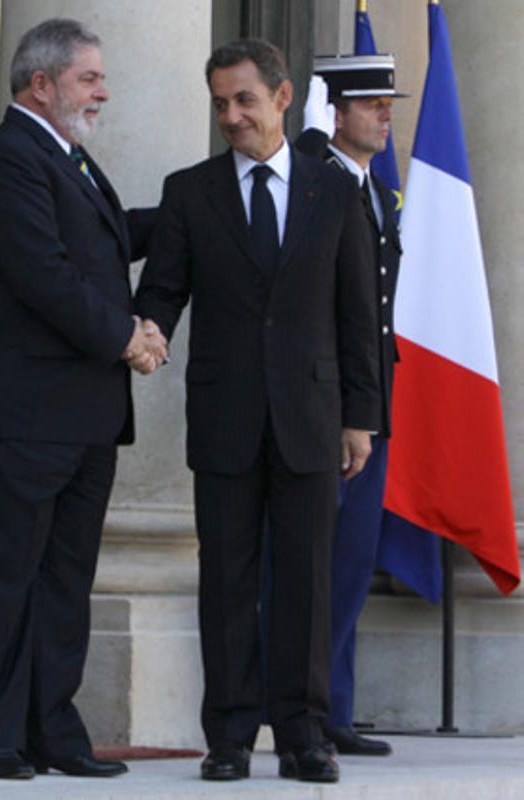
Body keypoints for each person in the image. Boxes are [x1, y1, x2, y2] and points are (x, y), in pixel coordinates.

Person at [135, 38, 380, 784]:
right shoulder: (190, 191)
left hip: (311, 415)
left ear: (280, 99)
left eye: (243, 100)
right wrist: (147, 331)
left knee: (306, 580)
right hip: (226, 417)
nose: (231, 116)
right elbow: (165, 289)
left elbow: (357, 313)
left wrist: (360, 416)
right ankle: (231, 735)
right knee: (228, 582)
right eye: (219, 104)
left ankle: (304, 734)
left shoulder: (333, 190)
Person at [0, 17, 164, 782]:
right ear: (39, 84)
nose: (102, 91)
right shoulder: (8, 159)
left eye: (100, 78)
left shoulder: (66, 157)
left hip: (81, 417)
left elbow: (103, 246)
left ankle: (52, 728)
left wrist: (197, 210)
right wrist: (127, 339)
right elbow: (46, 277)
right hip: (20, 416)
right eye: (88, 78)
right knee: (7, 580)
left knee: (64, 584)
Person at [294, 55, 406, 758]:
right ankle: (311, 709)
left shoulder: (367, 188)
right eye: (370, 103)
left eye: (387, 103)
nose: (385, 115)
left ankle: (335, 705)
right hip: (336, 411)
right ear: (333, 113)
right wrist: (349, 415)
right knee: (321, 566)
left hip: (369, 404)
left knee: (352, 563)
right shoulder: (319, 184)